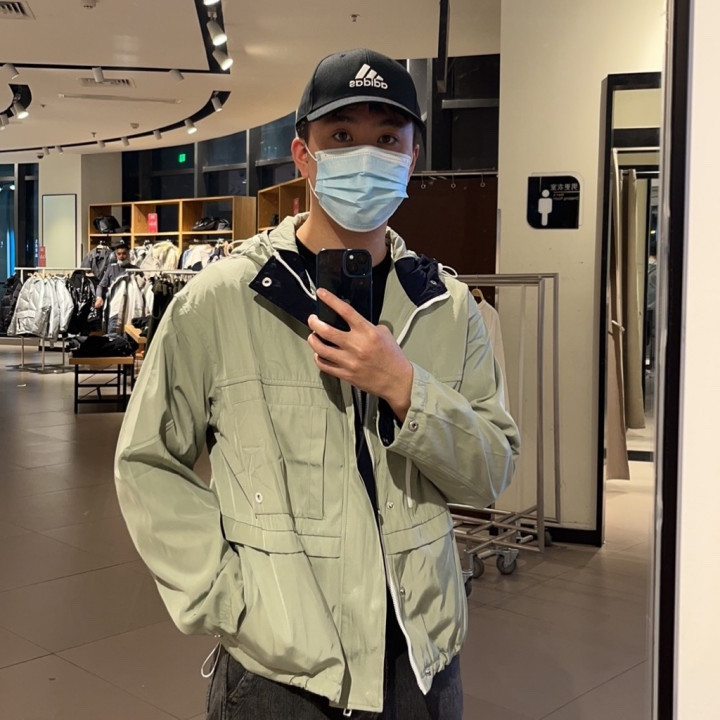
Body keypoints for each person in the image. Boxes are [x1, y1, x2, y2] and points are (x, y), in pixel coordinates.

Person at [114, 48, 520, 719]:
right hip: (280, 673)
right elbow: (146, 461)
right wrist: (229, 601)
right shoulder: (222, 299)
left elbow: (490, 472)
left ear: (412, 157)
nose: (367, 155)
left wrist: (406, 387)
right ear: (304, 156)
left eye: (387, 138)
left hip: (420, 665)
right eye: (342, 136)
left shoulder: (447, 307)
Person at [93, 241, 137, 309]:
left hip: (131, 303)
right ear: (116, 255)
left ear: (128, 254)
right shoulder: (111, 269)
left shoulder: (135, 269)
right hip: (114, 303)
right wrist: (99, 297)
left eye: (124, 253)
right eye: (119, 254)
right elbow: (101, 286)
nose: (121, 256)